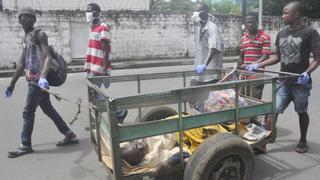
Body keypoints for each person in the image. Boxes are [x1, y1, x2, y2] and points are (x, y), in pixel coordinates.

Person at [4, 7, 79, 158]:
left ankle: (25, 145)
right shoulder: (26, 38)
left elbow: (47, 57)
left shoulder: (40, 34)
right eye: (24, 17)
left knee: (28, 112)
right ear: (19, 20)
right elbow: (22, 64)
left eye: (30, 17)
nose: (27, 19)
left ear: (34, 20)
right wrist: (11, 84)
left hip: (38, 81)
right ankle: (69, 134)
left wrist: (43, 77)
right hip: (33, 80)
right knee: (48, 109)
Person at [246, 1, 320, 153]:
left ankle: (303, 139)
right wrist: (258, 65)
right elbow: (277, 57)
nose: (283, 15)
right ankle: (263, 143)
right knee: (273, 110)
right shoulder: (281, 33)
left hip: (300, 82)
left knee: (301, 111)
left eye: (286, 12)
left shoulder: (310, 33)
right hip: (283, 81)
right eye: (283, 12)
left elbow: (318, 58)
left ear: (296, 14)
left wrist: (307, 72)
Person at [84, 3, 127, 123]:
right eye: (86, 12)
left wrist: (104, 68)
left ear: (96, 13)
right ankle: (95, 122)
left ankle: (120, 111)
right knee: (92, 97)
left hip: (98, 68)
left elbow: (105, 49)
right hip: (91, 67)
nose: (87, 14)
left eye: (90, 12)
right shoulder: (92, 28)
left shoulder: (103, 28)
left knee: (97, 96)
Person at [190, 2, 224, 112]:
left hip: (210, 72)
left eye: (200, 11)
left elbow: (213, 48)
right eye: (196, 11)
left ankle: (204, 121)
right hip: (199, 71)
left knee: (207, 103)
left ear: (206, 13)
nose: (197, 14)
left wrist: (205, 64)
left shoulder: (212, 27)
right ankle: (196, 116)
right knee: (192, 98)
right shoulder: (199, 25)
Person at [239, 12, 271, 100]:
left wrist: (252, 65)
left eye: (252, 22)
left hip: (257, 76)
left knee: (253, 103)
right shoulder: (243, 38)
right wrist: (238, 67)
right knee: (243, 102)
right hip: (244, 76)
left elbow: (265, 56)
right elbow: (241, 56)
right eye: (247, 22)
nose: (249, 24)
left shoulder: (265, 37)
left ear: (257, 22)